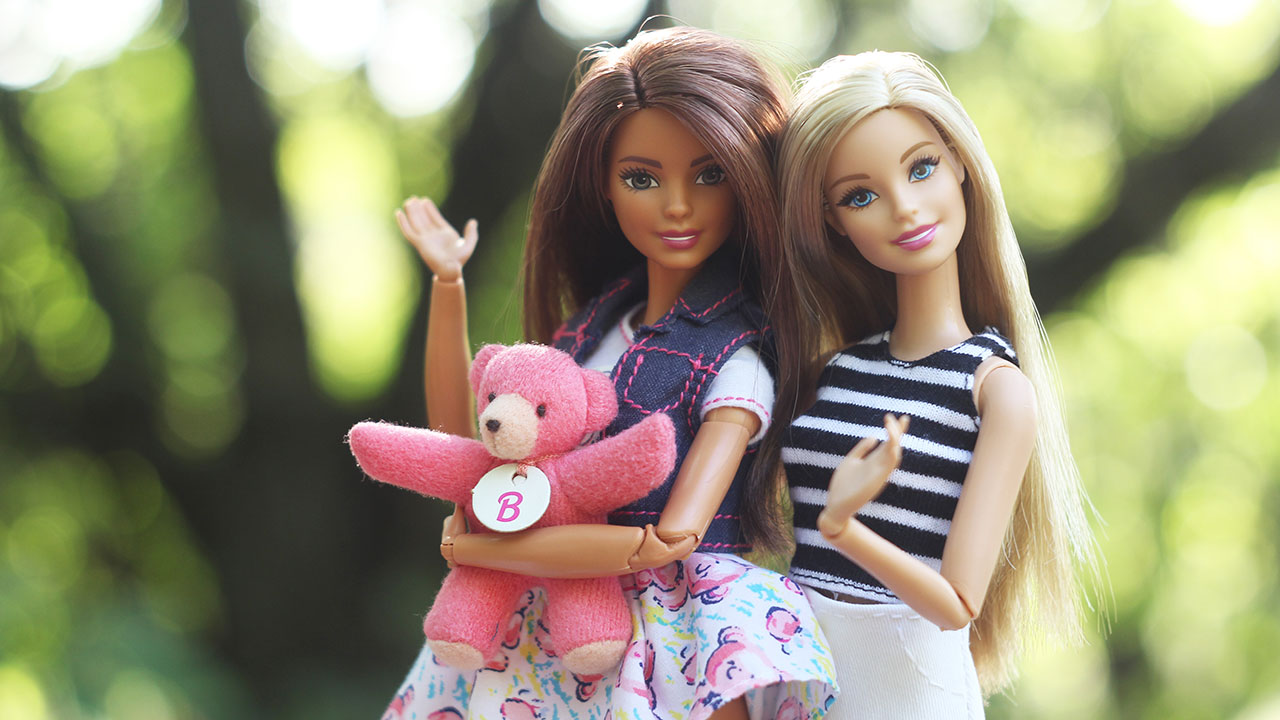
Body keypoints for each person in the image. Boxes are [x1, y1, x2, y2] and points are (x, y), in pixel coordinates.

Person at [384, 27, 835, 720]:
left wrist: (501, 547)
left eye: (710, 174)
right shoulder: (589, 330)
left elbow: (669, 540)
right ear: (603, 185)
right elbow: (466, 448)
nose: (677, 204)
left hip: (673, 634)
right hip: (548, 627)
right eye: (641, 179)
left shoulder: (736, 361)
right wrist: (449, 288)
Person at [772, 51, 1098, 718]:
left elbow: (956, 603)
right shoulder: (832, 372)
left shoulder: (995, 390)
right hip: (799, 674)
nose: (905, 208)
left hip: (907, 687)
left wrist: (842, 524)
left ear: (960, 165)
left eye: (921, 168)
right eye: (860, 196)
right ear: (832, 220)